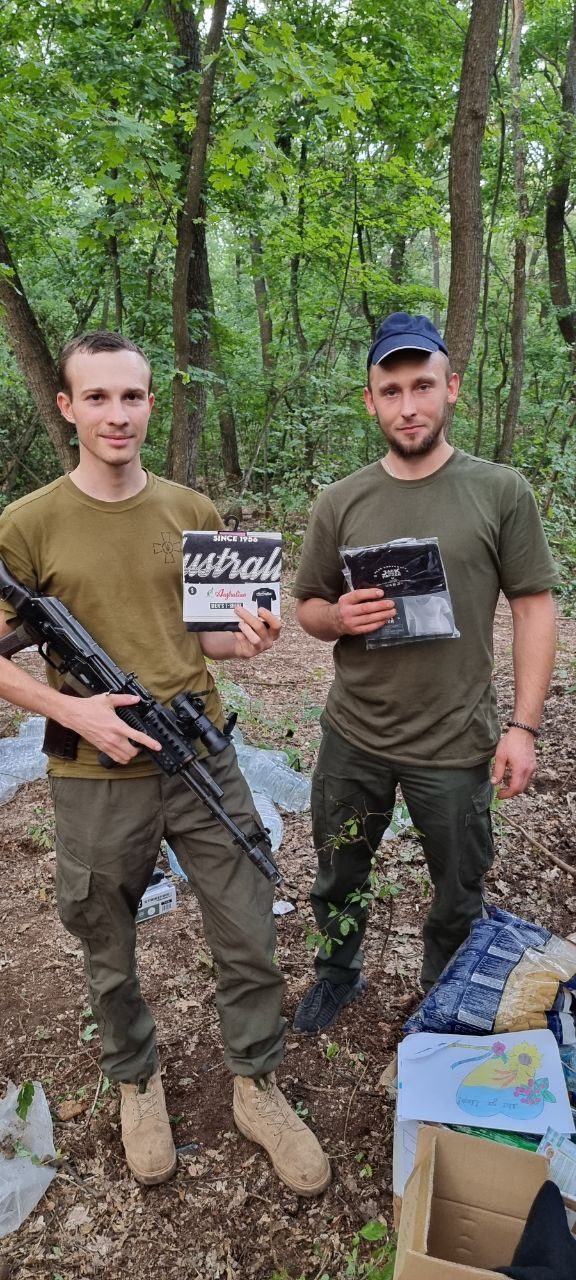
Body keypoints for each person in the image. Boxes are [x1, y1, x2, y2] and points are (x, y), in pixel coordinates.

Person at [0, 331, 330, 1195]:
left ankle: (256, 1084)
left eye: (132, 397)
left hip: (199, 751)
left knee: (248, 921)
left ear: (152, 404)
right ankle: (136, 1080)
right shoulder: (29, 524)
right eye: (98, 397)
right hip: (94, 767)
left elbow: (209, 636)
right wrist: (68, 707)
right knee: (105, 936)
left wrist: (246, 641)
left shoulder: (192, 510)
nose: (117, 415)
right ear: (67, 407)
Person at [291, 311, 559, 1035]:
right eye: (391, 391)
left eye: (422, 386)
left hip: (455, 740)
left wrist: (524, 727)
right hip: (355, 735)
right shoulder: (341, 500)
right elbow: (307, 606)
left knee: (458, 887)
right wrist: (338, 617)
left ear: (452, 388)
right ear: (370, 401)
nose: (408, 406)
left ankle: (443, 991)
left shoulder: (500, 491)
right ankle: (337, 973)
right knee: (339, 869)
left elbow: (534, 608)